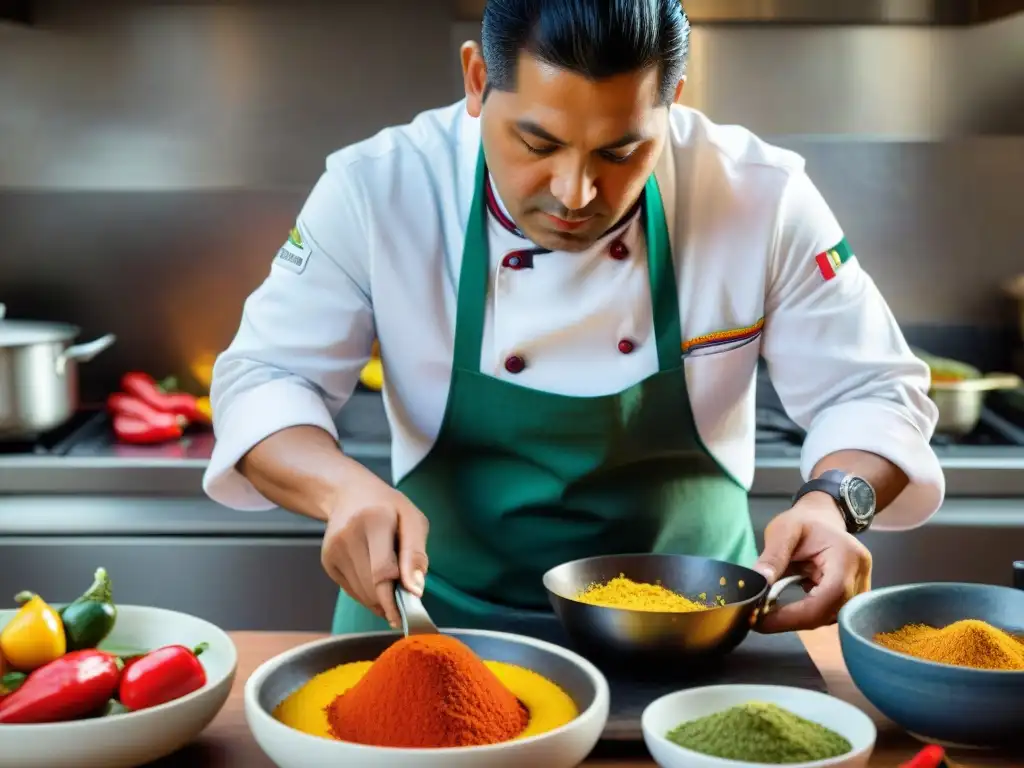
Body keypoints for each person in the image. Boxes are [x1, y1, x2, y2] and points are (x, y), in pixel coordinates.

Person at [202, 0, 944, 637]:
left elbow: (871, 391)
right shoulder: (379, 189)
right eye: (538, 142)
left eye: (621, 150)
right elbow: (265, 377)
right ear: (475, 80)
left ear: (675, 97)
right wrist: (342, 490)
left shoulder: (759, 195)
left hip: (691, 630)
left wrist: (835, 502)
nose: (577, 191)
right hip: (433, 622)